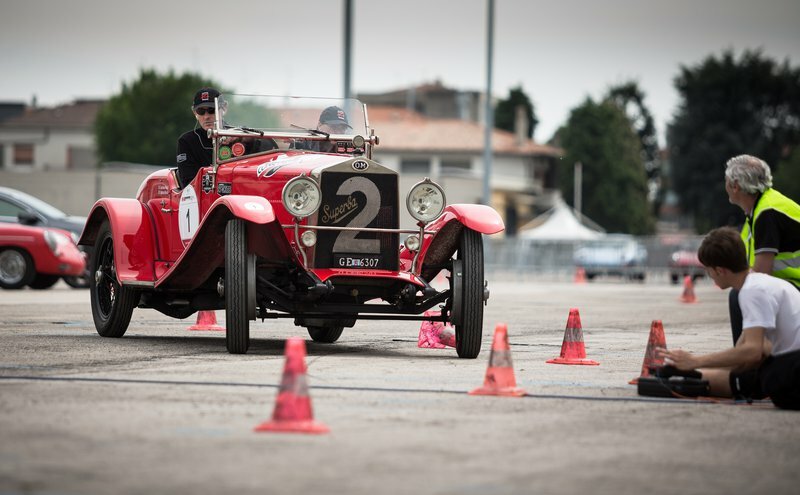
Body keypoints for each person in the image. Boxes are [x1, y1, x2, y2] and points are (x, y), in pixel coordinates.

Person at [659, 227, 800, 410]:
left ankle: (690, 380)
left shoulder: (752, 291)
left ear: (720, 271)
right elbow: (745, 351)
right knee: (749, 371)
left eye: (709, 271)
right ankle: (690, 378)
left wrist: (696, 361)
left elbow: (752, 352)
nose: (710, 276)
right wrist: (691, 368)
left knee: (766, 378)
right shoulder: (759, 282)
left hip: (794, 364)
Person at [723, 154, 800, 344]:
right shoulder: (759, 209)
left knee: (741, 293)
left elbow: (760, 275)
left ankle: (747, 364)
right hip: (790, 284)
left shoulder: (767, 213)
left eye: (726, 180)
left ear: (735, 185)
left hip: (796, 286)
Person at [176, 87, 221, 188]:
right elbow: (189, 183)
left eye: (211, 110)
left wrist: (246, 140)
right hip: (204, 198)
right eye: (201, 111)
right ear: (194, 112)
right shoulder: (187, 141)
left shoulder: (239, 136)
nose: (206, 116)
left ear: (224, 109)